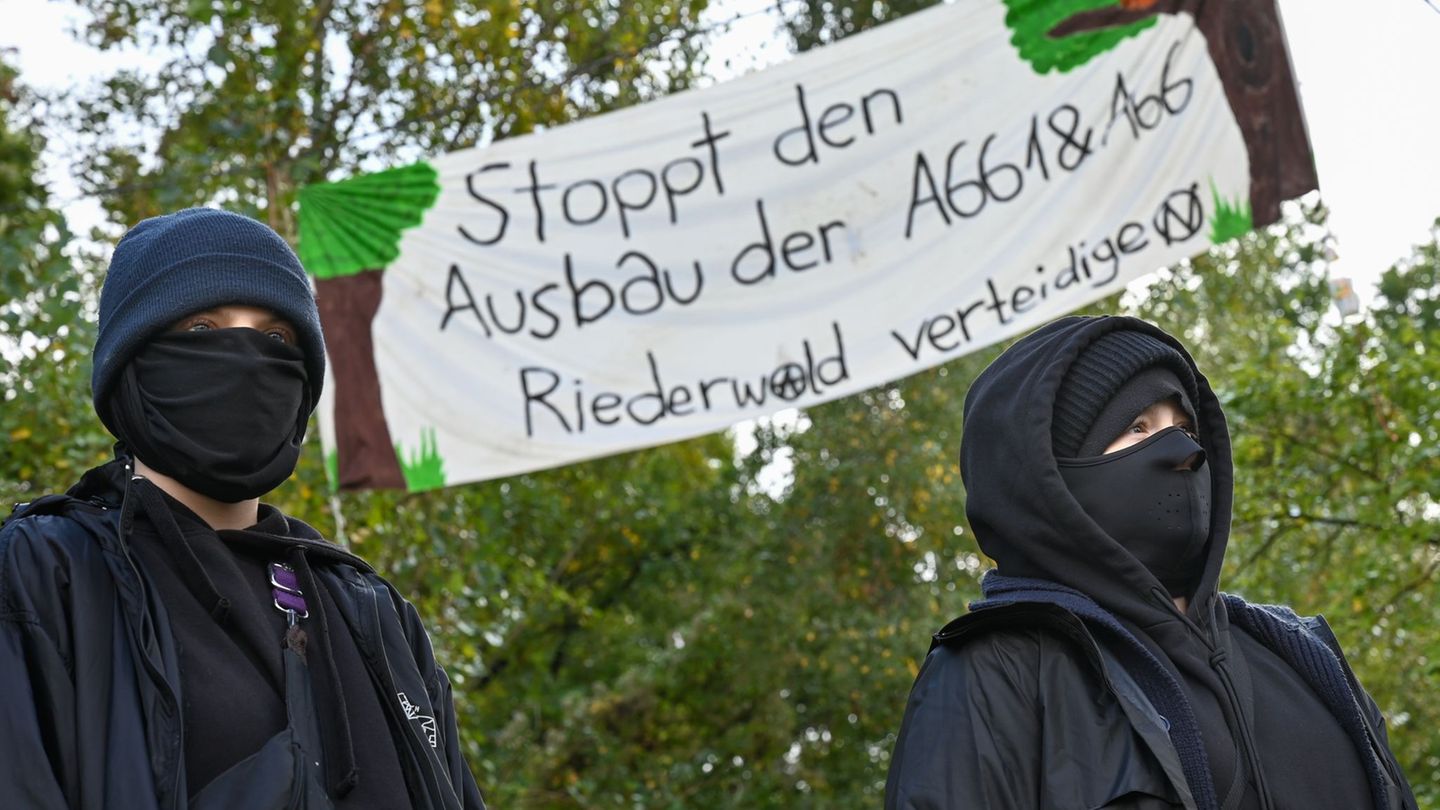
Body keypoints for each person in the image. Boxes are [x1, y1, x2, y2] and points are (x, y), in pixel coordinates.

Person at [0, 208, 486, 809]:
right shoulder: (44, 575)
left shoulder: (373, 611)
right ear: (133, 363)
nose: (248, 357)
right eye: (203, 329)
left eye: (276, 337)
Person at [884, 315, 1416, 810]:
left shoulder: (1306, 653)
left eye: (1184, 429)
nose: (1185, 453)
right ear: (1052, 476)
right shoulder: (999, 671)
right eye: (1138, 426)